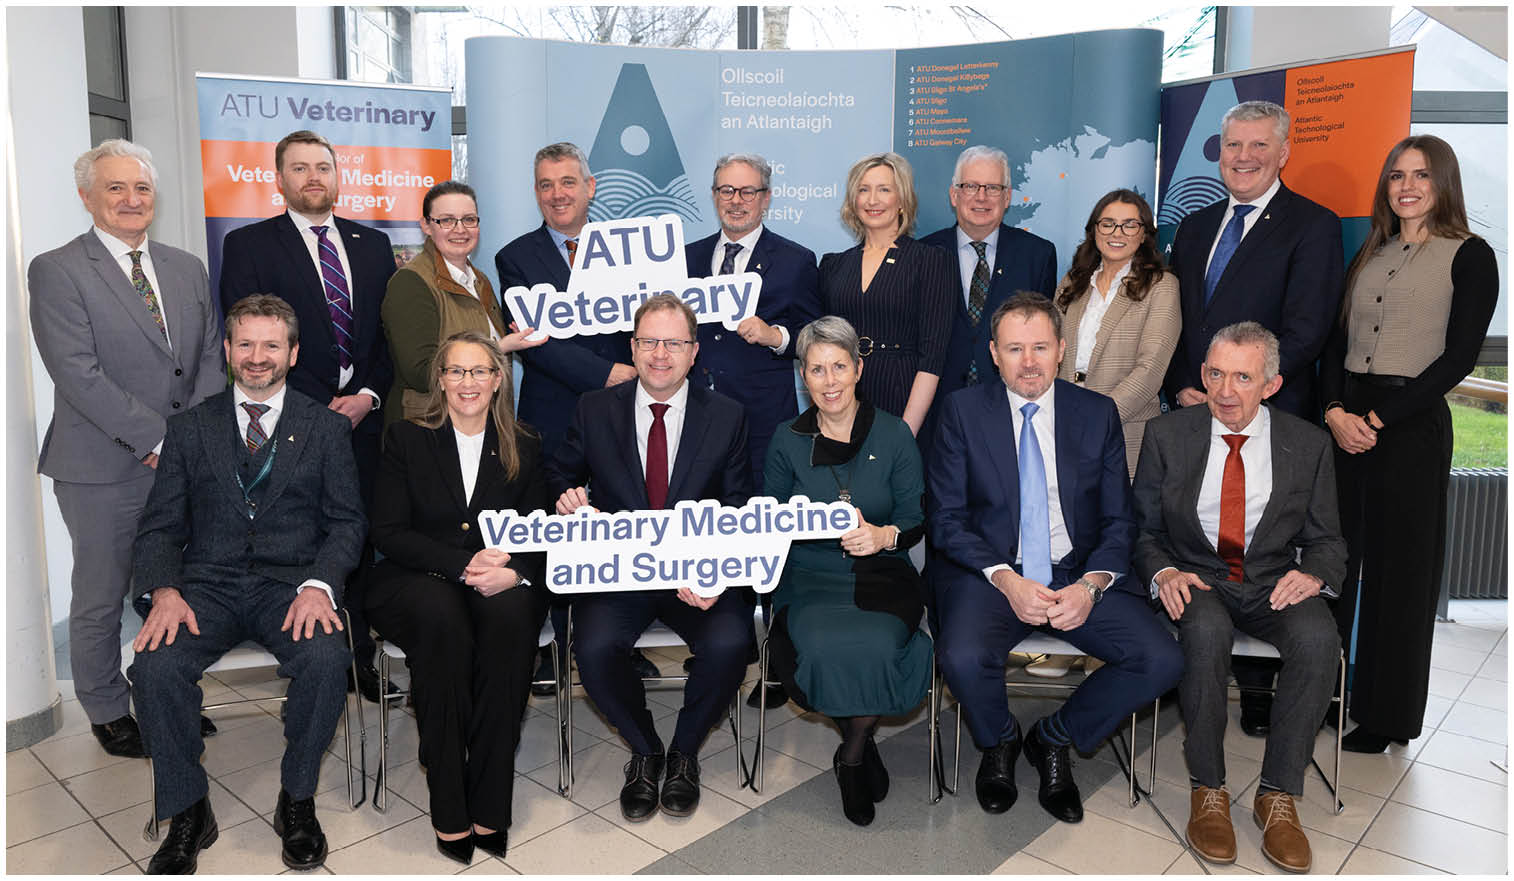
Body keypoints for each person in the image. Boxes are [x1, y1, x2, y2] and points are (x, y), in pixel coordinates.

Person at [129, 295, 365, 874]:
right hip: (204, 587)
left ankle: (298, 800)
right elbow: (159, 526)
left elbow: (347, 522)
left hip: (291, 586)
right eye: (246, 344)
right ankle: (187, 809)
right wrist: (165, 590)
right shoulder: (188, 429)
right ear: (228, 349)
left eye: (271, 345)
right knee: (155, 667)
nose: (257, 357)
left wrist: (320, 585)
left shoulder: (326, 428)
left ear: (293, 351)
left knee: (326, 660)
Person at [928, 293, 1183, 825]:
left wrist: (1091, 586)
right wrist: (1006, 580)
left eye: (1040, 347)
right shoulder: (961, 411)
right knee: (961, 654)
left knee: (1160, 659)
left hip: (1076, 569)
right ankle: (999, 740)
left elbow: (1119, 521)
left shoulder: (1095, 413)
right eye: (1015, 348)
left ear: (1062, 350)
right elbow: (947, 519)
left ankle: (1054, 737)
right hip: (992, 571)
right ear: (994, 353)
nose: (1028, 361)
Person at [28, 139, 226, 759]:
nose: (131, 200)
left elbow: (210, 360)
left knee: (174, 585)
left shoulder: (186, 266)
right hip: (103, 468)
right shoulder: (57, 270)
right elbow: (77, 373)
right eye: (115, 188)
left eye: (140, 188)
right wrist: (156, 439)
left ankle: (167, 698)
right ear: (87, 197)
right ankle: (108, 708)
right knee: (103, 593)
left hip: (181, 462)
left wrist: (187, 441)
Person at [1133, 321, 1345, 873]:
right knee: (1203, 632)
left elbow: (1327, 540)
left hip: (1274, 578)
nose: (1225, 391)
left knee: (1320, 640)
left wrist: (1316, 576)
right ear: (1203, 374)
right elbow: (1142, 531)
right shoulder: (1168, 435)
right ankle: (1209, 789)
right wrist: (1165, 573)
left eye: (1243, 377)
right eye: (1215, 374)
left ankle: (1277, 795)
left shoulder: (1307, 444)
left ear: (1270, 385)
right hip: (1199, 576)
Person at [1164, 100, 1344, 734]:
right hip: (1193, 407)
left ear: (1282, 152)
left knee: (1262, 548)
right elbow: (1179, 327)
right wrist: (1192, 388)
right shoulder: (1193, 228)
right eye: (1232, 145)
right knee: (1195, 534)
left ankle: (1262, 685)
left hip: (1268, 413)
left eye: (1256, 147)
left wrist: (1239, 392)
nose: (1242, 158)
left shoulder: (1312, 226)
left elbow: (1307, 328)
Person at [1319, 135, 1499, 754]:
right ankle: (1326, 693)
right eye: (1396, 175)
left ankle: (1386, 716)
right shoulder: (1372, 249)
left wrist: (1378, 417)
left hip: (1411, 426)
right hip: (1346, 424)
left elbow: (1457, 359)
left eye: (1421, 175)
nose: (1408, 186)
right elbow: (1333, 343)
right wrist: (1336, 410)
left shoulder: (1472, 255)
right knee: (1334, 564)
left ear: (1443, 182)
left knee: (1401, 578)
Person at [547, 294, 754, 822]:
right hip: (621, 571)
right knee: (592, 648)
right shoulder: (594, 408)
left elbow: (736, 505)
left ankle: (685, 751)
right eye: (650, 342)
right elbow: (559, 474)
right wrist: (567, 497)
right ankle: (645, 750)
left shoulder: (727, 415)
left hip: (697, 570)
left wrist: (712, 570)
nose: (661, 353)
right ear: (633, 348)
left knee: (731, 641)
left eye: (674, 343)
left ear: (693, 352)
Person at [219, 129, 395, 703]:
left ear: (338, 176)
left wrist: (368, 395)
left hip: (365, 420)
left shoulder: (372, 245)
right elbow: (252, 341)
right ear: (279, 179)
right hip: (294, 421)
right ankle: (309, 645)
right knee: (305, 535)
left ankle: (358, 656)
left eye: (323, 166)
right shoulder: (249, 246)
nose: (313, 177)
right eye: (299, 168)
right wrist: (318, 410)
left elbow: (387, 337)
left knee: (360, 536)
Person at [365, 332, 548, 864]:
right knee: (442, 621)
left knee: (512, 619)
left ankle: (490, 800)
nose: (467, 383)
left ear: (497, 380)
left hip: (499, 579)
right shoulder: (406, 439)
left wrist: (516, 573)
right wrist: (462, 564)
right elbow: (388, 531)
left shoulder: (526, 443)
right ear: (440, 380)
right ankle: (448, 802)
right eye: (456, 371)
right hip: (420, 578)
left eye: (479, 372)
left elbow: (541, 533)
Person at [493, 142, 651, 691]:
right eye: (545, 184)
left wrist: (628, 372)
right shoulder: (515, 257)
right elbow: (534, 341)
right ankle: (555, 642)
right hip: (554, 413)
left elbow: (645, 321)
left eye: (567, 182)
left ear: (590, 187)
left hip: (623, 413)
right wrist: (606, 372)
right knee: (554, 530)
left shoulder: (630, 250)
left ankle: (614, 641)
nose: (556, 194)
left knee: (617, 522)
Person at [763, 316, 932, 826]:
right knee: (817, 646)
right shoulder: (785, 439)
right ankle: (860, 744)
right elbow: (768, 520)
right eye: (817, 369)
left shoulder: (895, 433)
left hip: (882, 570)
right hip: (809, 574)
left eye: (840, 366)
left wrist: (883, 535)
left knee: (879, 645)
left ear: (859, 369)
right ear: (803, 377)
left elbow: (915, 517)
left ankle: (852, 755)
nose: (830, 381)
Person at [685, 152, 821, 491]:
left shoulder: (796, 260)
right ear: (714, 195)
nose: (736, 201)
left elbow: (815, 336)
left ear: (766, 198)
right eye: (727, 190)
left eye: (748, 192)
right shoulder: (685, 259)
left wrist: (775, 336)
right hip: (693, 417)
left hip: (762, 421)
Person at [381, 180, 544, 426]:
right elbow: (421, 372)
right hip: (431, 428)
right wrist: (498, 348)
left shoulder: (481, 280)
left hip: (482, 424)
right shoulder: (410, 282)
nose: (460, 229)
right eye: (446, 220)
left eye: (469, 219)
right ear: (426, 225)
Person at [818, 152, 955, 434]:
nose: (872, 200)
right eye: (863, 190)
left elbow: (933, 356)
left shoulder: (930, 261)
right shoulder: (833, 264)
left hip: (903, 399)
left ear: (902, 199)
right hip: (844, 400)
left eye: (884, 190)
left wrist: (905, 433)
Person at [1056, 189, 1181, 477]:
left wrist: (1097, 419)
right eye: (1108, 223)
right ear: (1094, 229)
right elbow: (1051, 352)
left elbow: (1150, 371)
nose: (1118, 232)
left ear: (1144, 234)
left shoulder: (1162, 287)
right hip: (1064, 427)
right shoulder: (1072, 282)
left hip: (1124, 432)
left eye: (1130, 225)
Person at [920, 144, 1057, 406]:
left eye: (993, 188)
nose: (981, 197)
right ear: (954, 195)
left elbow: (1041, 339)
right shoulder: (923, 253)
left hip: (1010, 406)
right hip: (936, 406)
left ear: (1007, 198)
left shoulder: (1037, 256)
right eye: (970, 186)